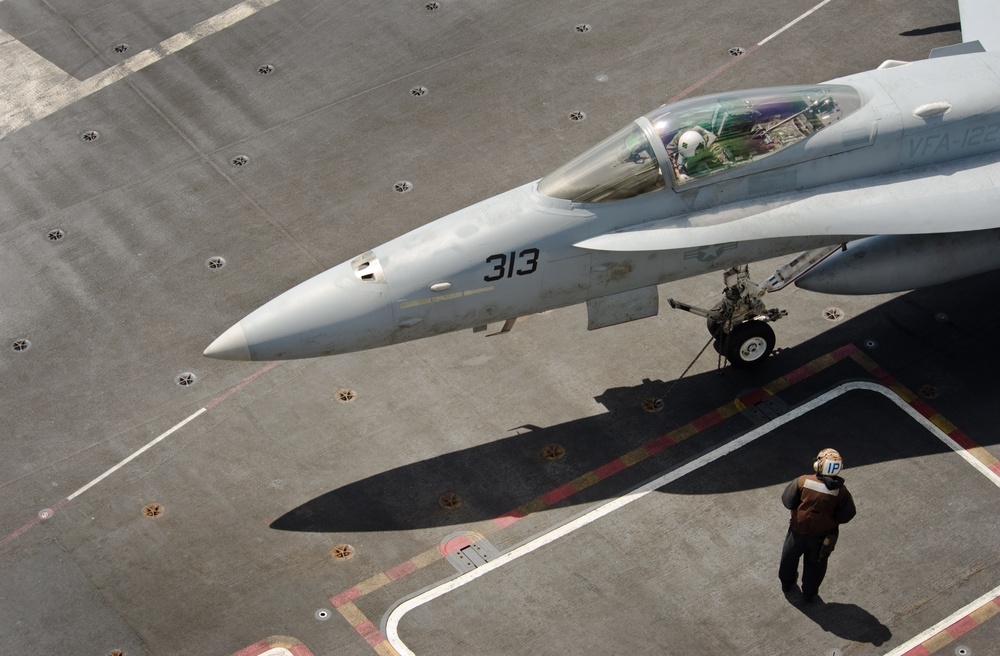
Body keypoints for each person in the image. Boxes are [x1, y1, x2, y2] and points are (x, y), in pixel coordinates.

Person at [778, 448, 856, 602]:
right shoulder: (841, 492)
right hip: (821, 539)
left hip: (797, 533)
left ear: (819, 465)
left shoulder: (803, 481)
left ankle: (787, 584)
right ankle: (809, 594)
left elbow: (788, 500)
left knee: (789, 559)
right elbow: (847, 514)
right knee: (816, 567)